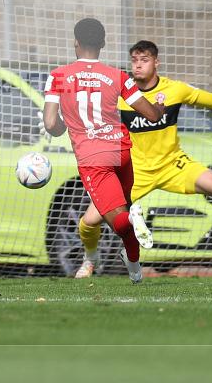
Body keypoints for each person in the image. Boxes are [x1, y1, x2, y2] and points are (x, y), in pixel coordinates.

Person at [74, 40, 212, 278]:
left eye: (144, 60)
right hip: (136, 170)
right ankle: (90, 258)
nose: (138, 66)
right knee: (88, 222)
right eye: (135, 60)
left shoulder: (175, 90)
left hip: (173, 164)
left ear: (156, 62)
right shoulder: (121, 93)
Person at [42, 19, 165, 283]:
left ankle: (130, 251)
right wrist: (160, 108)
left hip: (94, 158)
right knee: (91, 221)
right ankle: (110, 262)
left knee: (120, 222)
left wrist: (65, 126)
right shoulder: (117, 76)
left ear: (75, 42)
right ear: (103, 44)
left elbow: (51, 124)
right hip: (121, 152)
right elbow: (152, 115)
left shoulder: (59, 76)